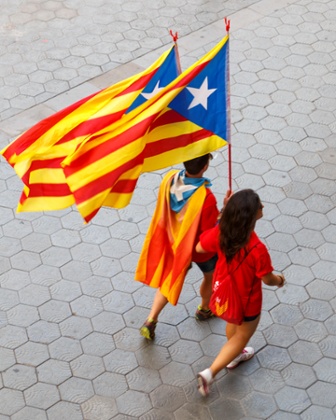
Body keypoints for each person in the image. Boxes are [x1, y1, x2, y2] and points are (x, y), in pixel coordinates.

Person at [195, 189, 285, 396]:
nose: (263, 208)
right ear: (252, 216)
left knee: (233, 326)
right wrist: (280, 280)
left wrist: (220, 219)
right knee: (242, 336)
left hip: (225, 296)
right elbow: (267, 278)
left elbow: (200, 247)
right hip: (247, 302)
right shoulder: (257, 249)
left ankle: (235, 355)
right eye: (259, 207)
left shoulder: (221, 233)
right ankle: (210, 372)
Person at [135, 153, 228, 340]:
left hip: (174, 243)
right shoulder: (205, 197)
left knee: (170, 280)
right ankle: (204, 309)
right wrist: (224, 211)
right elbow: (210, 232)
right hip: (198, 250)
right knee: (210, 277)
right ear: (205, 167)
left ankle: (151, 319)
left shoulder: (170, 178)